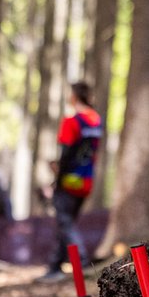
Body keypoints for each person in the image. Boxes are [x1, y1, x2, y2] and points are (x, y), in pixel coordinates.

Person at [39, 81, 103, 282]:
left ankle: (82, 263)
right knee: (65, 225)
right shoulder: (96, 121)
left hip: (68, 181)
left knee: (66, 225)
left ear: (74, 97)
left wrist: (56, 179)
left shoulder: (72, 121)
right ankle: (54, 267)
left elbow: (66, 153)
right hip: (86, 181)